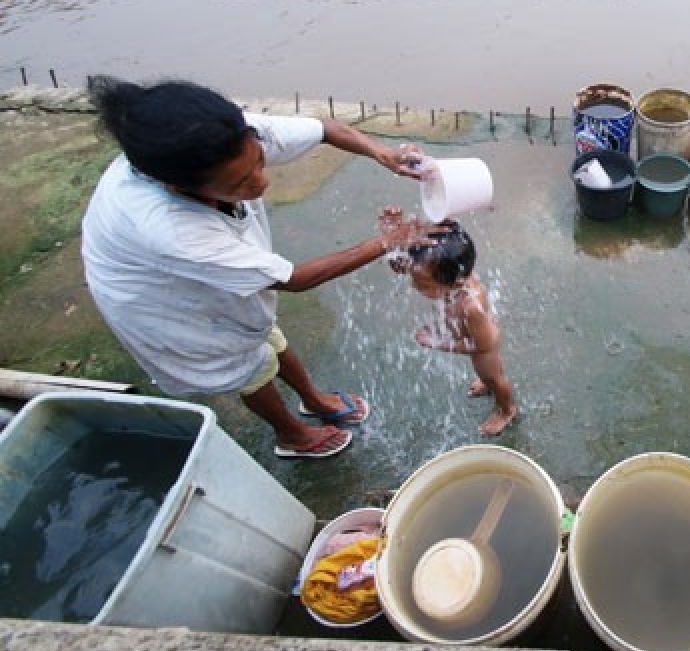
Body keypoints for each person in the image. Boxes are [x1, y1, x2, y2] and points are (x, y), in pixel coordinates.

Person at [81, 76, 431, 459]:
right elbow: (295, 279)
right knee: (244, 363)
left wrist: (382, 153)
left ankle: (314, 399)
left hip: (202, 266)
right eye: (241, 182)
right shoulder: (168, 228)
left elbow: (326, 129)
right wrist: (386, 242)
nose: (261, 182)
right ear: (178, 186)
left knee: (264, 330)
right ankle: (292, 436)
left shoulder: (222, 136)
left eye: (259, 162)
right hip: (161, 299)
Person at [391, 221, 517, 436]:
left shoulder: (471, 307)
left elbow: (483, 345)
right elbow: (402, 266)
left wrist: (439, 343)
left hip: (483, 351)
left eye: (422, 284)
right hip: (474, 335)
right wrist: (390, 236)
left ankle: (507, 411)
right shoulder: (449, 276)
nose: (414, 286)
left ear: (455, 281)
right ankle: (486, 386)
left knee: (494, 378)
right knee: (487, 377)